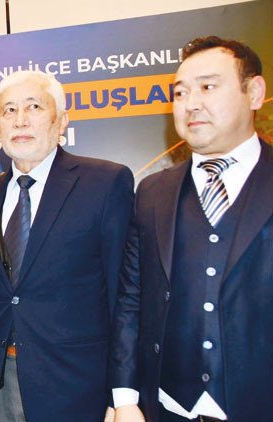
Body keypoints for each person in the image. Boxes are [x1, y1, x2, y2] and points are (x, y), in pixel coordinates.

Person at [110, 36, 271, 422]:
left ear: (254, 92)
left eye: (208, 87)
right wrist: (125, 398)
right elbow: (131, 300)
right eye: (180, 93)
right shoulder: (152, 191)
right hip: (167, 407)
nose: (191, 103)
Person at [0, 70, 133, 422]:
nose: (20, 120)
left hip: (75, 389)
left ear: (62, 121)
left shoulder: (105, 183)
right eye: (9, 110)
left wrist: (121, 395)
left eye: (34, 106)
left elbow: (124, 299)